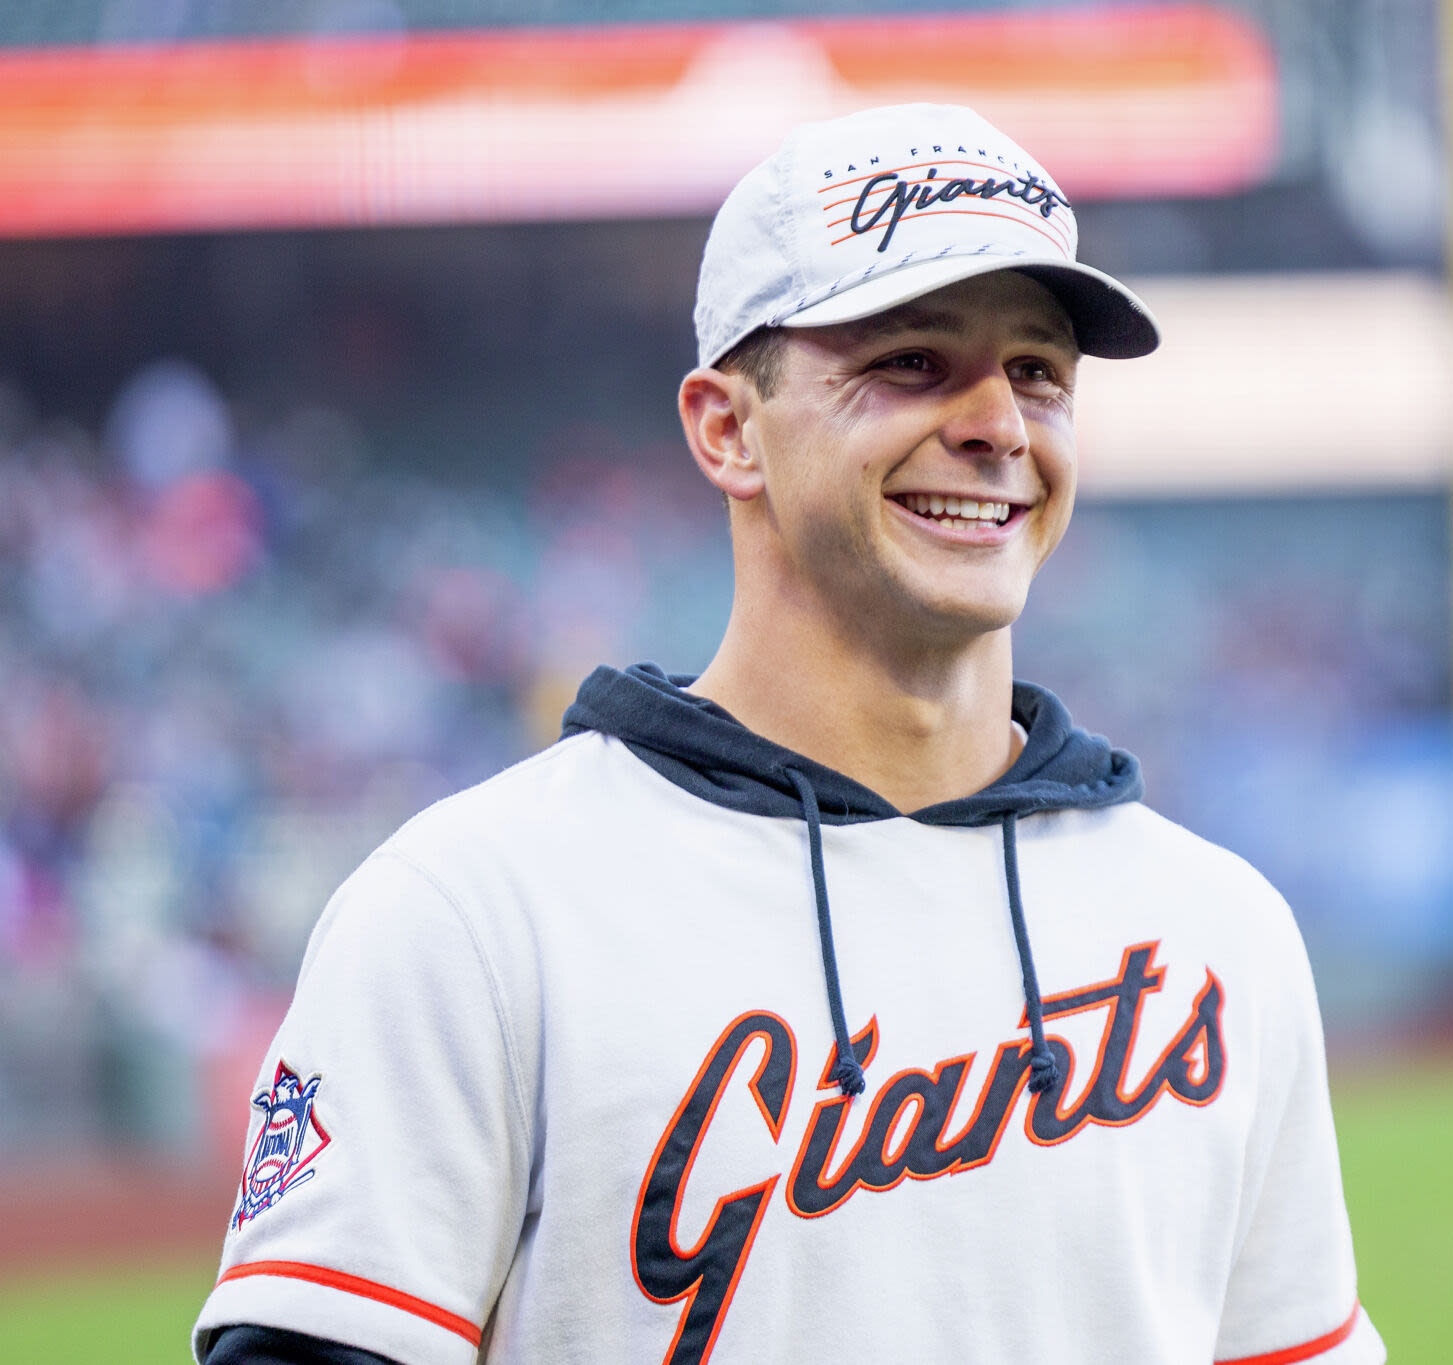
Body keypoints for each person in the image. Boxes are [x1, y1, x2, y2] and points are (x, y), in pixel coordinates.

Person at [192, 103, 1382, 1365]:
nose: (996, 425)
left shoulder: (1218, 932)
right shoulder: (475, 912)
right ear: (725, 428)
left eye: (1036, 371)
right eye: (912, 361)